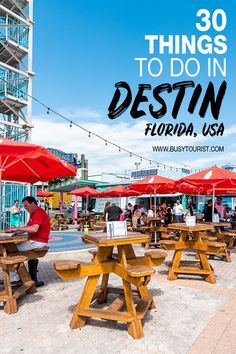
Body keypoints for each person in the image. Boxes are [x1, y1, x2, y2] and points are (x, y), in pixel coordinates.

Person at [6, 196, 50, 287]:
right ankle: (20, 278)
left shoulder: (38, 213)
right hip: (35, 241)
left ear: (33, 203)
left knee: (10, 251)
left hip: (37, 242)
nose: (25, 208)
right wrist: (14, 231)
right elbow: (26, 228)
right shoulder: (34, 213)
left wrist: (18, 228)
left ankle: (15, 279)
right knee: (11, 248)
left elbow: (34, 229)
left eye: (26, 206)